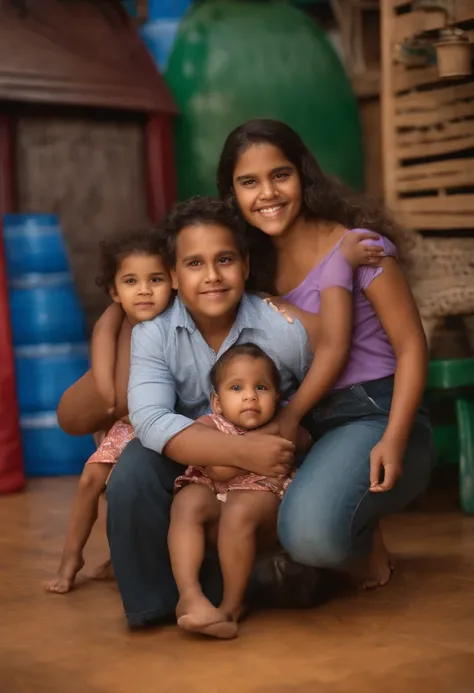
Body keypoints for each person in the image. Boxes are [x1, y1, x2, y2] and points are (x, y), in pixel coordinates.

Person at [217, 118, 434, 588]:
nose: (267, 194)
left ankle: (354, 537)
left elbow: (413, 346)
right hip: (305, 423)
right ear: (232, 194)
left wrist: (393, 439)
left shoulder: (358, 247)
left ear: (303, 175)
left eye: (280, 175)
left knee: (312, 538)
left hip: (375, 413)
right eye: (248, 182)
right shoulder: (251, 264)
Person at [46, 230, 172, 593]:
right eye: (131, 281)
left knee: (130, 494)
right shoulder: (116, 319)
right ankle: (71, 559)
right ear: (116, 292)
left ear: (174, 282)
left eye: (156, 279)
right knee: (91, 480)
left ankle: (123, 558)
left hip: (167, 422)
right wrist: (107, 406)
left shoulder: (179, 318)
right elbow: (103, 361)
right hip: (127, 422)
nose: (144, 290)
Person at [169, 343, 311, 639]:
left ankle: (232, 605)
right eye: (236, 388)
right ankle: (189, 593)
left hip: (260, 503)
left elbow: (301, 438)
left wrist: (277, 429)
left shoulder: (284, 424)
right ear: (217, 402)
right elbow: (213, 468)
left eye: (261, 387)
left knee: (239, 510)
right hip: (216, 496)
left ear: (277, 398)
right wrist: (260, 441)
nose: (250, 396)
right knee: (187, 502)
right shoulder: (210, 424)